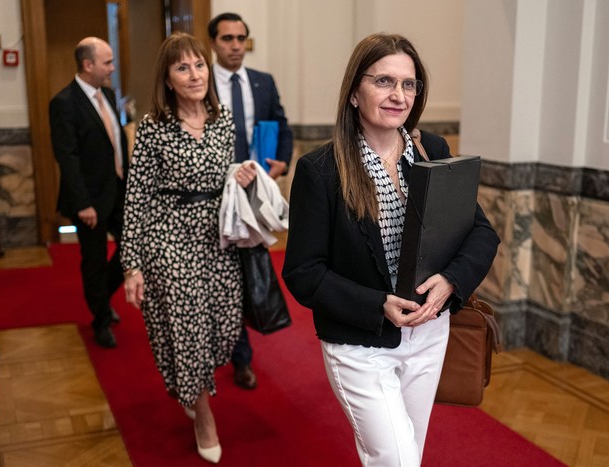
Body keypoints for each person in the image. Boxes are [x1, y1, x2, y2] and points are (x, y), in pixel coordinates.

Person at [282, 33, 500, 466]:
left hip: (430, 330)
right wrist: (377, 303)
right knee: (397, 460)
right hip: (361, 342)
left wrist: (452, 281)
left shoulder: (429, 151)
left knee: (407, 454)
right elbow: (303, 272)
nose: (398, 95)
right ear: (353, 93)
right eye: (383, 81)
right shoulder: (320, 170)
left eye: (409, 84)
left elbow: (481, 231)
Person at [121, 32, 256, 464]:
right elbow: (137, 198)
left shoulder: (223, 120)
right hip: (169, 240)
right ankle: (203, 415)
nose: (194, 74)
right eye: (183, 67)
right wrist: (132, 265)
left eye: (199, 64)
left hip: (219, 241)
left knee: (222, 328)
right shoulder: (154, 128)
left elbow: (221, 177)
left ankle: (189, 384)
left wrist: (237, 178)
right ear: (168, 79)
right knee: (187, 331)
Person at [208, 11, 294, 390]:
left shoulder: (262, 82)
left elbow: (281, 124)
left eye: (241, 38)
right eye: (227, 38)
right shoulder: (199, 82)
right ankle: (214, 346)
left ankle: (241, 357)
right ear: (214, 42)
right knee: (218, 276)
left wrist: (282, 163)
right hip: (212, 195)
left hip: (253, 193)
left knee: (247, 273)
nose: (236, 46)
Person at [49, 36, 128, 349]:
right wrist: (83, 204)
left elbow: (114, 145)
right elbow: (67, 157)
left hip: (118, 192)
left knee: (132, 251)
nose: (112, 68)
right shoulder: (64, 102)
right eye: (107, 62)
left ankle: (101, 299)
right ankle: (101, 321)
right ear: (88, 64)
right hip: (89, 201)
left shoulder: (106, 94)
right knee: (93, 261)